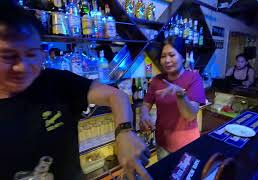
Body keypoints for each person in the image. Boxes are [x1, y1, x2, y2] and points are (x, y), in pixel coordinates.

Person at [0, 2, 151, 180]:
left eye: (32, 54)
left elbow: (115, 95)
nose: (22, 67)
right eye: (8, 56)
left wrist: (125, 132)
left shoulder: (55, 81)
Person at [139, 37, 206, 160]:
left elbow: (190, 115)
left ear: (183, 57)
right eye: (163, 56)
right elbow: (146, 104)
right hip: (162, 143)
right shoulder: (156, 80)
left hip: (187, 144)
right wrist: (143, 115)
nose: (167, 60)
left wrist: (180, 94)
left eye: (171, 55)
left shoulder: (194, 78)